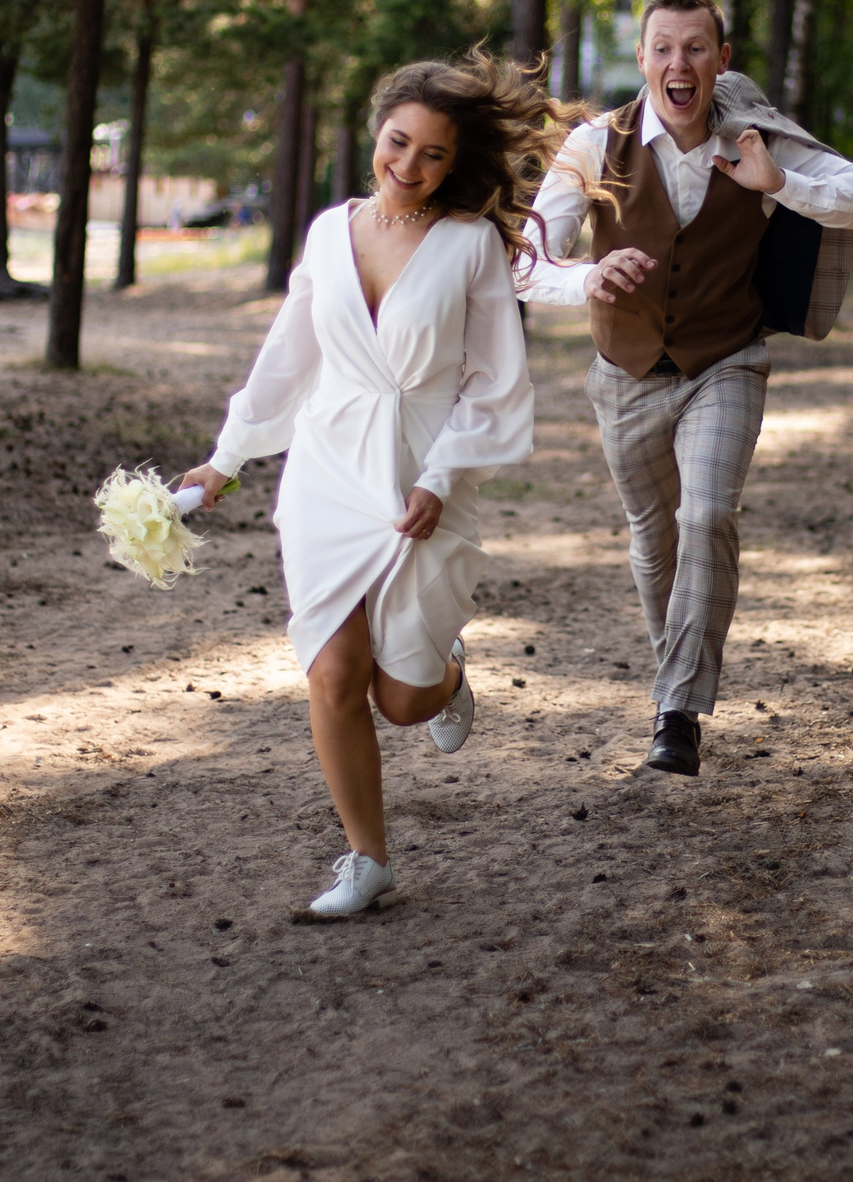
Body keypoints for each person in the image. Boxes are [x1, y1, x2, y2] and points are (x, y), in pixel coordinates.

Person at [178, 52, 590, 917]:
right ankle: (366, 859)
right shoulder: (330, 232)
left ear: (454, 162)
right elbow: (289, 356)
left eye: (433, 154)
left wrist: (443, 475)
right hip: (327, 470)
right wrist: (225, 459)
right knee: (332, 672)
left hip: (422, 474)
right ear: (377, 131)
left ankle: (445, 673)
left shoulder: (472, 244)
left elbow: (495, 381)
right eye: (398, 141)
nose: (408, 165)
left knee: (400, 700)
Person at [519, 0, 853, 776]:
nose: (677, 63)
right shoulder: (593, 147)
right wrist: (585, 275)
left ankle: (677, 710)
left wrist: (779, 186)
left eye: (695, 48)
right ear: (643, 60)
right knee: (654, 539)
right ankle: (671, 682)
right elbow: (528, 260)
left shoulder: (759, 140)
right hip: (625, 373)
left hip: (727, 359)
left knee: (709, 510)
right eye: (662, 48)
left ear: (722, 61)